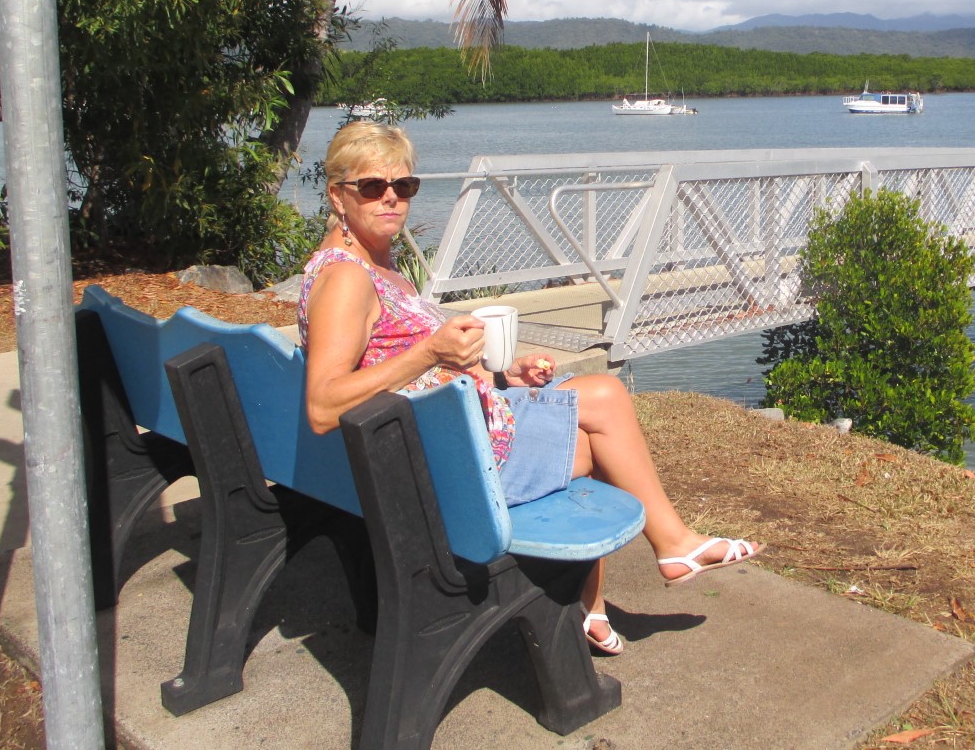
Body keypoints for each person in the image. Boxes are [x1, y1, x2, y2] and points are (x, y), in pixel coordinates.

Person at [299, 122, 761, 656]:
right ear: (338, 195)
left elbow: (394, 364)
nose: (391, 198)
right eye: (372, 186)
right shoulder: (347, 279)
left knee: (600, 404)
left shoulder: (373, 263)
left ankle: (620, 584)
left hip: (441, 438)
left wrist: (501, 376)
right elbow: (323, 405)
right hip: (444, 467)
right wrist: (430, 352)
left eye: (404, 186)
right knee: (602, 429)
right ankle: (634, 571)